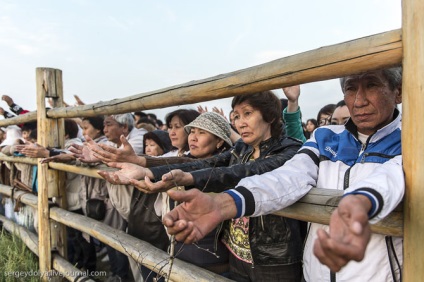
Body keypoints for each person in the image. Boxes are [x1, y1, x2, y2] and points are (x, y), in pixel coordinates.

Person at [162, 67, 404, 282]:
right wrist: (222, 203)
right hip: (314, 273)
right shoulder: (325, 137)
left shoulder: (412, 138)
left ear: (399, 91)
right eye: (351, 88)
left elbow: (390, 178)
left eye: (372, 85)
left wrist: (358, 204)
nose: (359, 100)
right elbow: (289, 176)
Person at [98, 90, 304, 281]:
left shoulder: (290, 148)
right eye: (236, 116)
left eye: (247, 113)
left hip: (273, 259)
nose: (240, 123)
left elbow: (241, 172)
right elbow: (203, 164)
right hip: (236, 253)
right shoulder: (243, 148)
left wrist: (187, 178)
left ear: (269, 116)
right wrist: (146, 169)